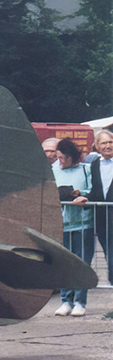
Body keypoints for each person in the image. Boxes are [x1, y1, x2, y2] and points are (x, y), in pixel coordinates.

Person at [51, 138, 94, 316]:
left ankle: (80, 301)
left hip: (83, 223)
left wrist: (81, 194)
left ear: (72, 157)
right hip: (62, 223)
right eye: (58, 158)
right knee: (64, 263)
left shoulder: (86, 169)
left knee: (81, 263)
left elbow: (92, 190)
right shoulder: (53, 169)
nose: (60, 162)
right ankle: (65, 300)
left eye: (64, 158)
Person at [89, 130, 113, 285]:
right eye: (103, 143)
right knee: (109, 258)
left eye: (110, 142)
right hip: (102, 220)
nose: (108, 146)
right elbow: (96, 191)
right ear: (97, 147)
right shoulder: (95, 164)